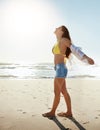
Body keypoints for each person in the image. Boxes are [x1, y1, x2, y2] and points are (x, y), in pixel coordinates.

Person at [42, 25, 94, 118]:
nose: (56, 28)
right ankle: (69, 112)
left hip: (61, 69)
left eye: (58, 28)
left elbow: (75, 50)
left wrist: (86, 57)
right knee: (63, 91)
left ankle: (52, 112)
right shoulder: (58, 42)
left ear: (62, 31)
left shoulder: (64, 40)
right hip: (59, 68)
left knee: (57, 92)